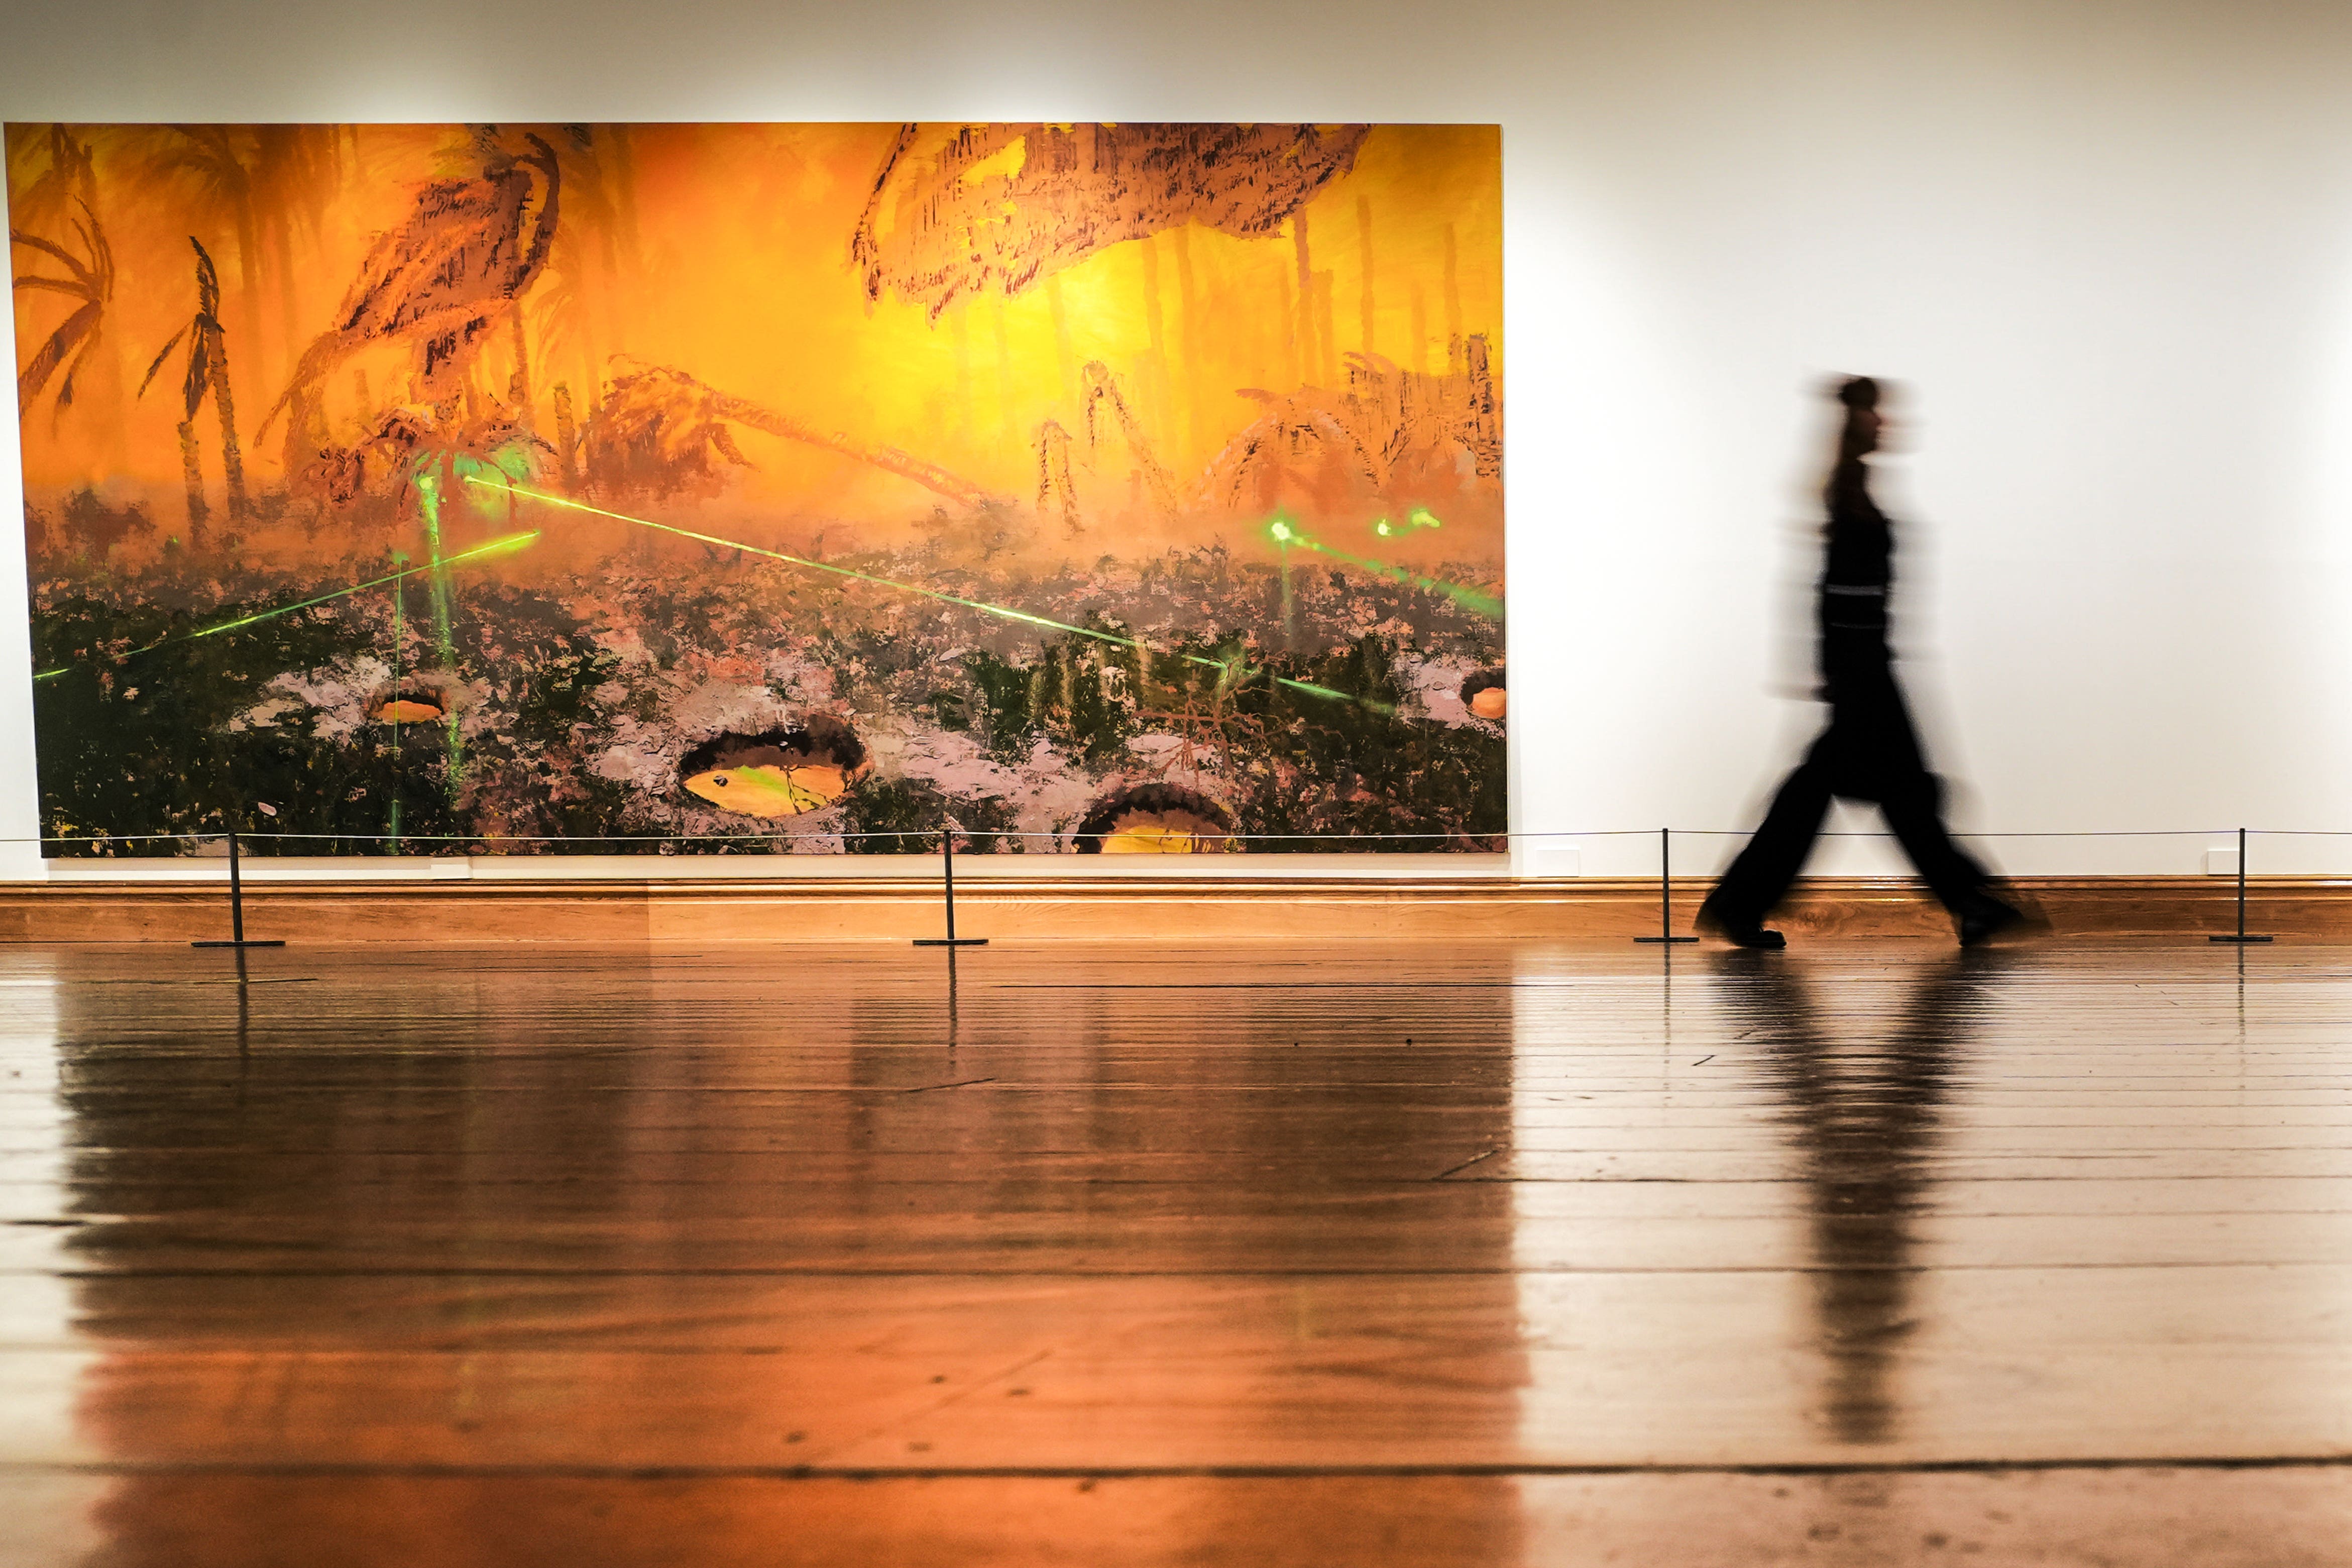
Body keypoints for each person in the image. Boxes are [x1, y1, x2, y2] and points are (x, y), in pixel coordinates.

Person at [1697, 377, 2023, 949]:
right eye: (1879, 415)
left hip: (1862, 663)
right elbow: (1829, 590)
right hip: (1863, 667)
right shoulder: (1848, 494)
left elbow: (1828, 589)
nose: (1888, 424)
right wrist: (1835, 668)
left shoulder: (1852, 490)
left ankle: (1739, 904)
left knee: (1854, 791)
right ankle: (1970, 901)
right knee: (1896, 792)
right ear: (1860, 422)